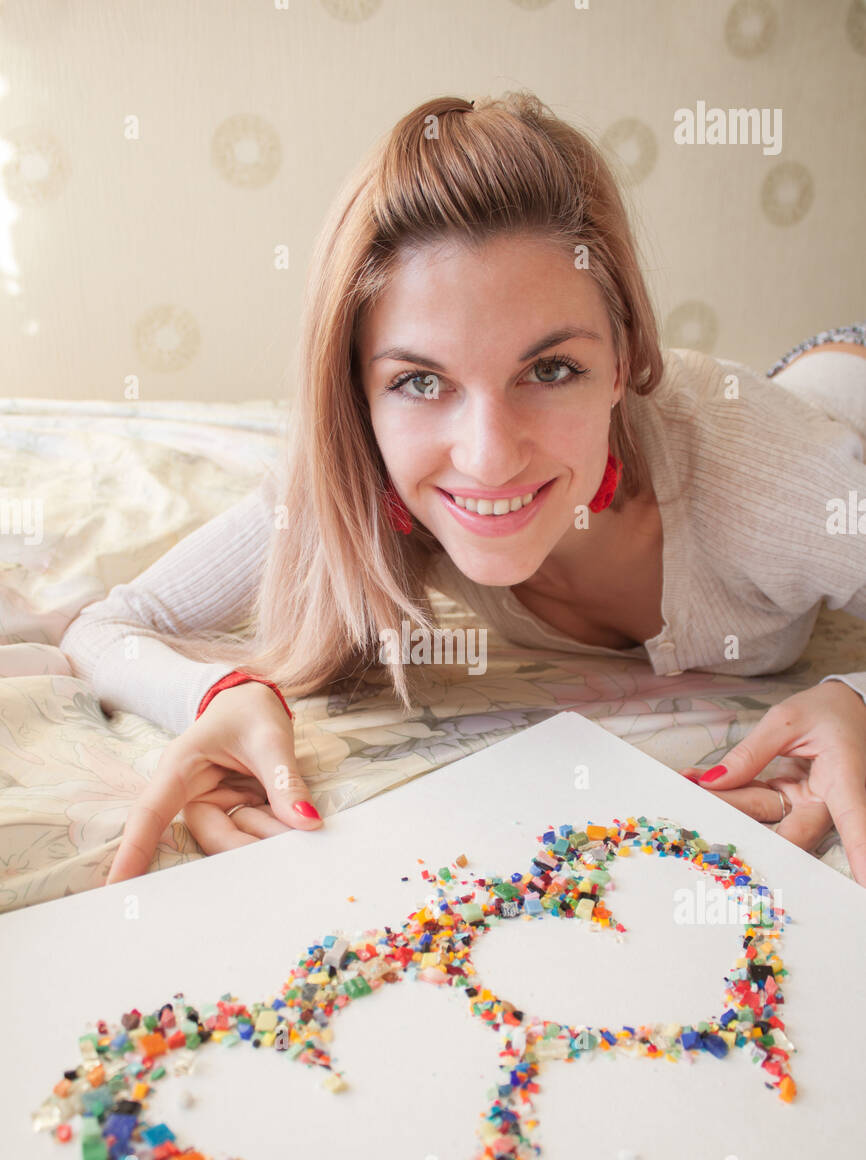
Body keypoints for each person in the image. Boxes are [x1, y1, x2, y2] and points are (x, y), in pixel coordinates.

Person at [58, 93, 866, 887]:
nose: (487, 459)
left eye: (551, 370)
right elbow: (113, 625)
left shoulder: (773, 486)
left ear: (623, 363)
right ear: (358, 396)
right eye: (418, 381)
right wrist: (218, 695)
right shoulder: (355, 476)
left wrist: (850, 697)